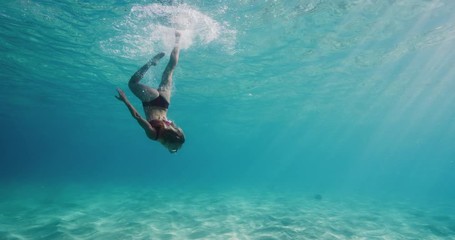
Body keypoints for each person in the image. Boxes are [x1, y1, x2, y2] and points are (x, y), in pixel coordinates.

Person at [115, 31, 185, 153]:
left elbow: (175, 141)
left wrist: (173, 148)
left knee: (170, 70)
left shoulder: (172, 129)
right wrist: (125, 100)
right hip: (151, 102)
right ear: (169, 142)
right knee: (132, 84)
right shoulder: (154, 135)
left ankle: (178, 38)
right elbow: (137, 117)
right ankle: (150, 63)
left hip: (164, 102)